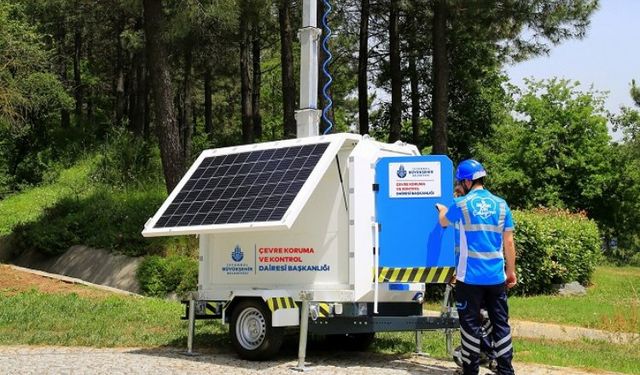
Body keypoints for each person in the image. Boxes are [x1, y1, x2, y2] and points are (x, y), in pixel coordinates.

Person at [436, 159, 517, 375]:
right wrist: (511, 271)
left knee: (470, 326)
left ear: (466, 181)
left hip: (469, 278)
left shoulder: (461, 205)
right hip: (496, 277)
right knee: (501, 325)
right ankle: (506, 370)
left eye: (459, 182)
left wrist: (442, 209)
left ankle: (471, 371)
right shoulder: (501, 205)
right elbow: (508, 242)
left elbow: (444, 221)